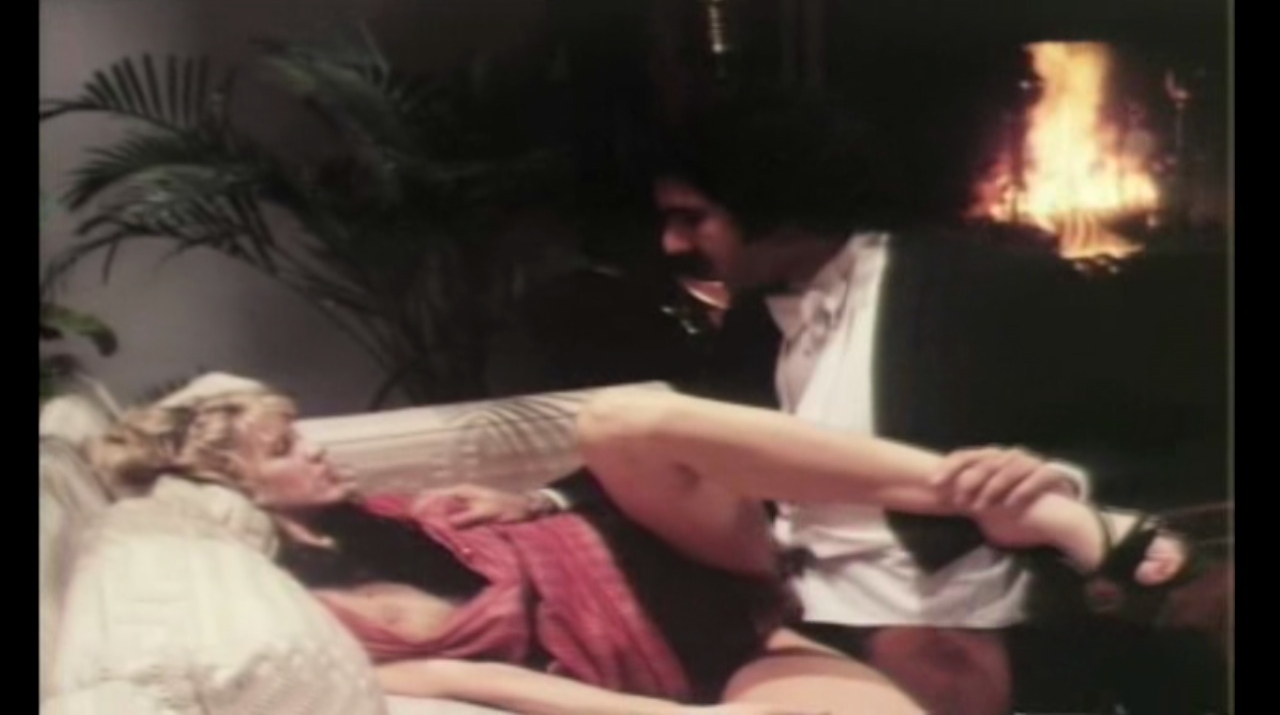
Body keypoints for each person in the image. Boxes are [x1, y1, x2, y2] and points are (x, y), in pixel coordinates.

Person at [542, 89, 1227, 714]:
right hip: (798, 591)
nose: (673, 244)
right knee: (623, 424)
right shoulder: (756, 317)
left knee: (928, 672)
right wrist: (546, 498)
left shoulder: (976, 288)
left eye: (693, 219)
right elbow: (710, 435)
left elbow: (1173, 431)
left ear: (778, 211)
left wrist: (1054, 480)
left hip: (947, 601)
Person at [89, 386, 925, 715]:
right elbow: (464, 681)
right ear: (237, 489)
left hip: (690, 554)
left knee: (623, 421)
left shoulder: (377, 514)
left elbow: (562, 531)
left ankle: (952, 488)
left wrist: (532, 502)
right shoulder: (310, 615)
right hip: (717, 654)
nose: (314, 448)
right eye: (282, 450)